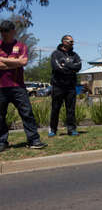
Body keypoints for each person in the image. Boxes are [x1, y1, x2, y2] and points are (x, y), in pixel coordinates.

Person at [0, 20, 47, 152]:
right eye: (1, 31)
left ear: (13, 31)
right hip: (1, 87)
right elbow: (15, 63)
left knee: (27, 113)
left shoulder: (21, 46)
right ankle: (2, 142)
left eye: (6, 31)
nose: (3, 34)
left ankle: (33, 140)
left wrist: (3, 60)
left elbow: (24, 62)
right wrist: (15, 62)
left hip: (18, 86)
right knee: (0, 116)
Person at [49, 35, 82, 137]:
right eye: (70, 41)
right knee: (55, 108)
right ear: (64, 41)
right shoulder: (56, 54)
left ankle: (71, 130)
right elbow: (57, 67)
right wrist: (70, 68)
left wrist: (65, 65)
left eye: (73, 41)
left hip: (71, 87)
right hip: (58, 86)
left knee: (71, 109)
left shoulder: (75, 55)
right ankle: (53, 130)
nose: (72, 43)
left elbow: (78, 66)